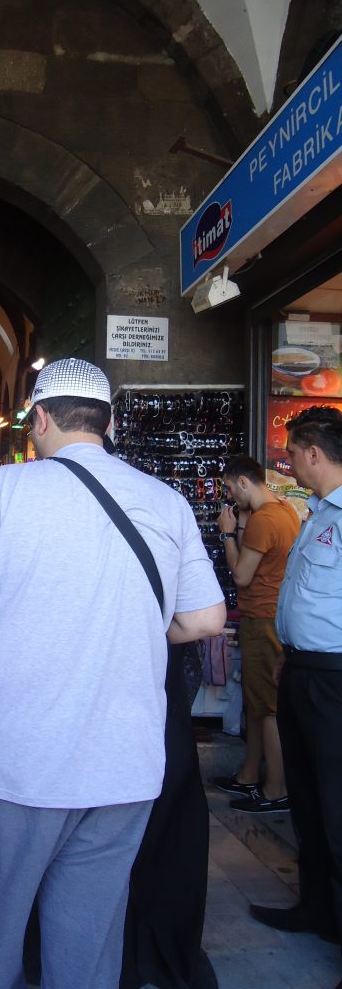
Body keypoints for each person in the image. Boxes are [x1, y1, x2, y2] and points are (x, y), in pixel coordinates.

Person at [0, 358, 226, 989]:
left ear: (41, 419)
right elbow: (207, 617)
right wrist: (129, 624)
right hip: (123, 772)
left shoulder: (4, 491)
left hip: (11, 769)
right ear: (107, 422)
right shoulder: (165, 499)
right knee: (87, 953)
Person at [248, 406, 342, 975]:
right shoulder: (313, 512)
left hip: (335, 677)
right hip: (303, 669)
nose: (285, 461)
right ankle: (318, 910)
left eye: (291, 452)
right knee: (308, 802)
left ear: (313, 451)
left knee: (336, 806)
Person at [212, 455, 299, 813]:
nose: (230, 497)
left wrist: (228, 534)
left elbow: (242, 576)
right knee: (258, 702)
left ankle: (276, 788)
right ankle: (250, 775)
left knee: (266, 708)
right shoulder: (285, 512)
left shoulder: (265, 520)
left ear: (244, 482)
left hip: (262, 618)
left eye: (230, 488)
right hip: (269, 615)